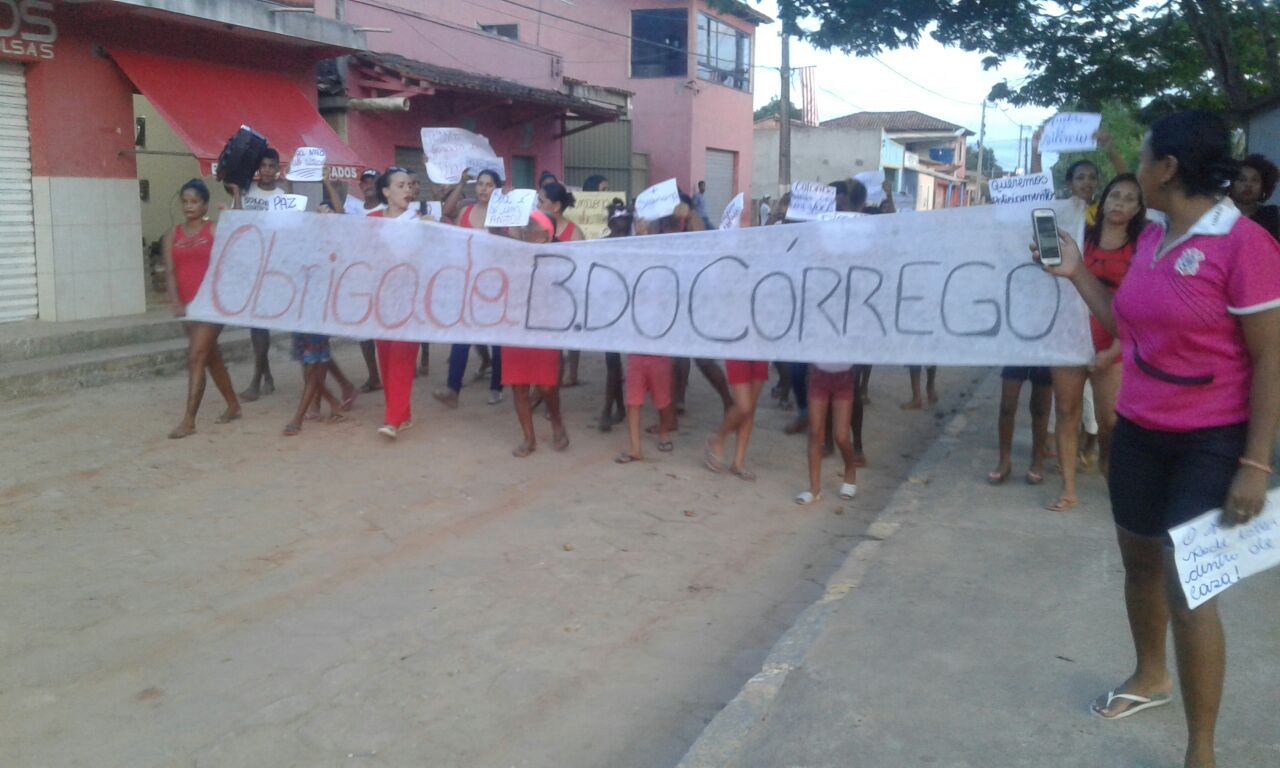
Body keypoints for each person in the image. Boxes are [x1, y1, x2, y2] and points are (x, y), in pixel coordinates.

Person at [1037, 110, 1280, 768]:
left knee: (1191, 588)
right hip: (1140, 430)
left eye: (1142, 157)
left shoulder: (1245, 245)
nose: (1135, 168)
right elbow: (1130, 323)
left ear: (1167, 168)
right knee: (1140, 562)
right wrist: (1076, 274)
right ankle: (1151, 676)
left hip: (1212, 440)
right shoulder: (1153, 235)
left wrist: (1255, 463)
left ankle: (1201, 750)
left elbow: (1271, 360)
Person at [1046, 173, 1146, 511]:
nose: (1120, 202)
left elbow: (1138, 308)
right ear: (1103, 202)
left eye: (1130, 198)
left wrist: (1115, 350)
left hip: (1113, 344)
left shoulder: (1142, 247)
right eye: (1115, 195)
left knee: (1110, 423)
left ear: (1138, 208)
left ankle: (1108, 469)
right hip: (1069, 338)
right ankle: (1069, 488)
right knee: (1066, 411)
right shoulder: (1079, 239)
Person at [163, 179, 240, 439]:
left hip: (211, 306)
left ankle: (189, 420)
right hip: (188, 308)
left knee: (196, 357)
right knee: (209, 356)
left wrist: (230, 217)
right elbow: (170, 273)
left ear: (204, 204)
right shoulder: (172, 234)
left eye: (194, 201)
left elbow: (234, 255)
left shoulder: (214, 230)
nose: (189, 206)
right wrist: (176, 303)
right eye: (185, 201)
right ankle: (233, 405)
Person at [435, 169, 505, 407]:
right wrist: (461, 182)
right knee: (461, 335)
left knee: (497, 338)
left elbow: (513, 245)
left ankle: (497, 386)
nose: (484, 189)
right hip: (467, 284)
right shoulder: (465, 212)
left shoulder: (504, 215)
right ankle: (452, 389)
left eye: (489, 185)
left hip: (495, 287)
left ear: (497, 188)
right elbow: (445, 212)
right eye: (481, 184)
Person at [503, 211, 569, 457]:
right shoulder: (512, 254)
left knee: (547, 387)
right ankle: (528, 438)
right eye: (525, 225)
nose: (526, 229)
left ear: (546, 233)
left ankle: (557, 422)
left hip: (544, 332)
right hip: (514, 330)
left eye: (531, 225)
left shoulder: (559, 259)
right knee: (519, 388)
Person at [230, 148, 294, 402]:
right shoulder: (248, 192)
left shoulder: (282, 194)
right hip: (251, 264)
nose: (267, 170)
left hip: (275, 267)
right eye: (263, 165)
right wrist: (236, 193)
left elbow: (291, 225)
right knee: (256, 325)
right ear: (258, 169)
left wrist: (289, 186)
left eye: (271, 166)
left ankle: (258, 380)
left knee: (259, 324)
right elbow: (238, 222)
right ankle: (265, 377)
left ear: (278, 168)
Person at [368, 166, 425, 439]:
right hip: (380, 300)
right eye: (400, 185)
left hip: (409, 300)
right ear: (386, 191)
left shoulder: (420, 223)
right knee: (386, 358)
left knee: (402, 357)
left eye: (409, 185)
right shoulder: (371, 221)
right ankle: (403, 414)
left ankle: (392, 420)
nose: (407, 190)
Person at [539, 182, 586, 387]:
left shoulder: (574, 232)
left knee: (566, 338)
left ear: (556, 206)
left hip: (566, 294)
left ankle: (568, 374)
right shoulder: (534, 227)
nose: (537, 205)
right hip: (543, 294)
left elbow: (579, 266)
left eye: (541, 201)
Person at [793, 363, 859, 505]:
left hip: (844, 376)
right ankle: (814, 489)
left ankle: (850, 468)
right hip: (818, 375)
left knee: (841, 436)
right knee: (815, 433)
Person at [597, 200, 631, 432]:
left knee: (615, 363)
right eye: (618, 226)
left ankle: (612, 408)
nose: (622, 229)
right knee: (612, 362)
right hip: (608, 312)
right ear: (610, 224)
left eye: (625, 226)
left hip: (629, 312)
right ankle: (613, 407)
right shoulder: (601, 246)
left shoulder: (638, 246)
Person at [987, 366, 1052, 486]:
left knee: (1040, 410)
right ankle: (1004, 461)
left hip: (1044, 353)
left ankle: (1037, 461)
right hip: (1017, 351)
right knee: (1007, 407)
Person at [705, 359, 768, 480]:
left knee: (751, 407)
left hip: (762, 349)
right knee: (744, 405)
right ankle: (719, 438)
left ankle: (738, 462)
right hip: (739, 349)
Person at [1229, 153, 1279, 241]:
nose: (1248, 185)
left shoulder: (1274, 216)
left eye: (1255, 180)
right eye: (1241, 179)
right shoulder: (1218, 215)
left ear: (1264, 186)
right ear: (1230, 184)